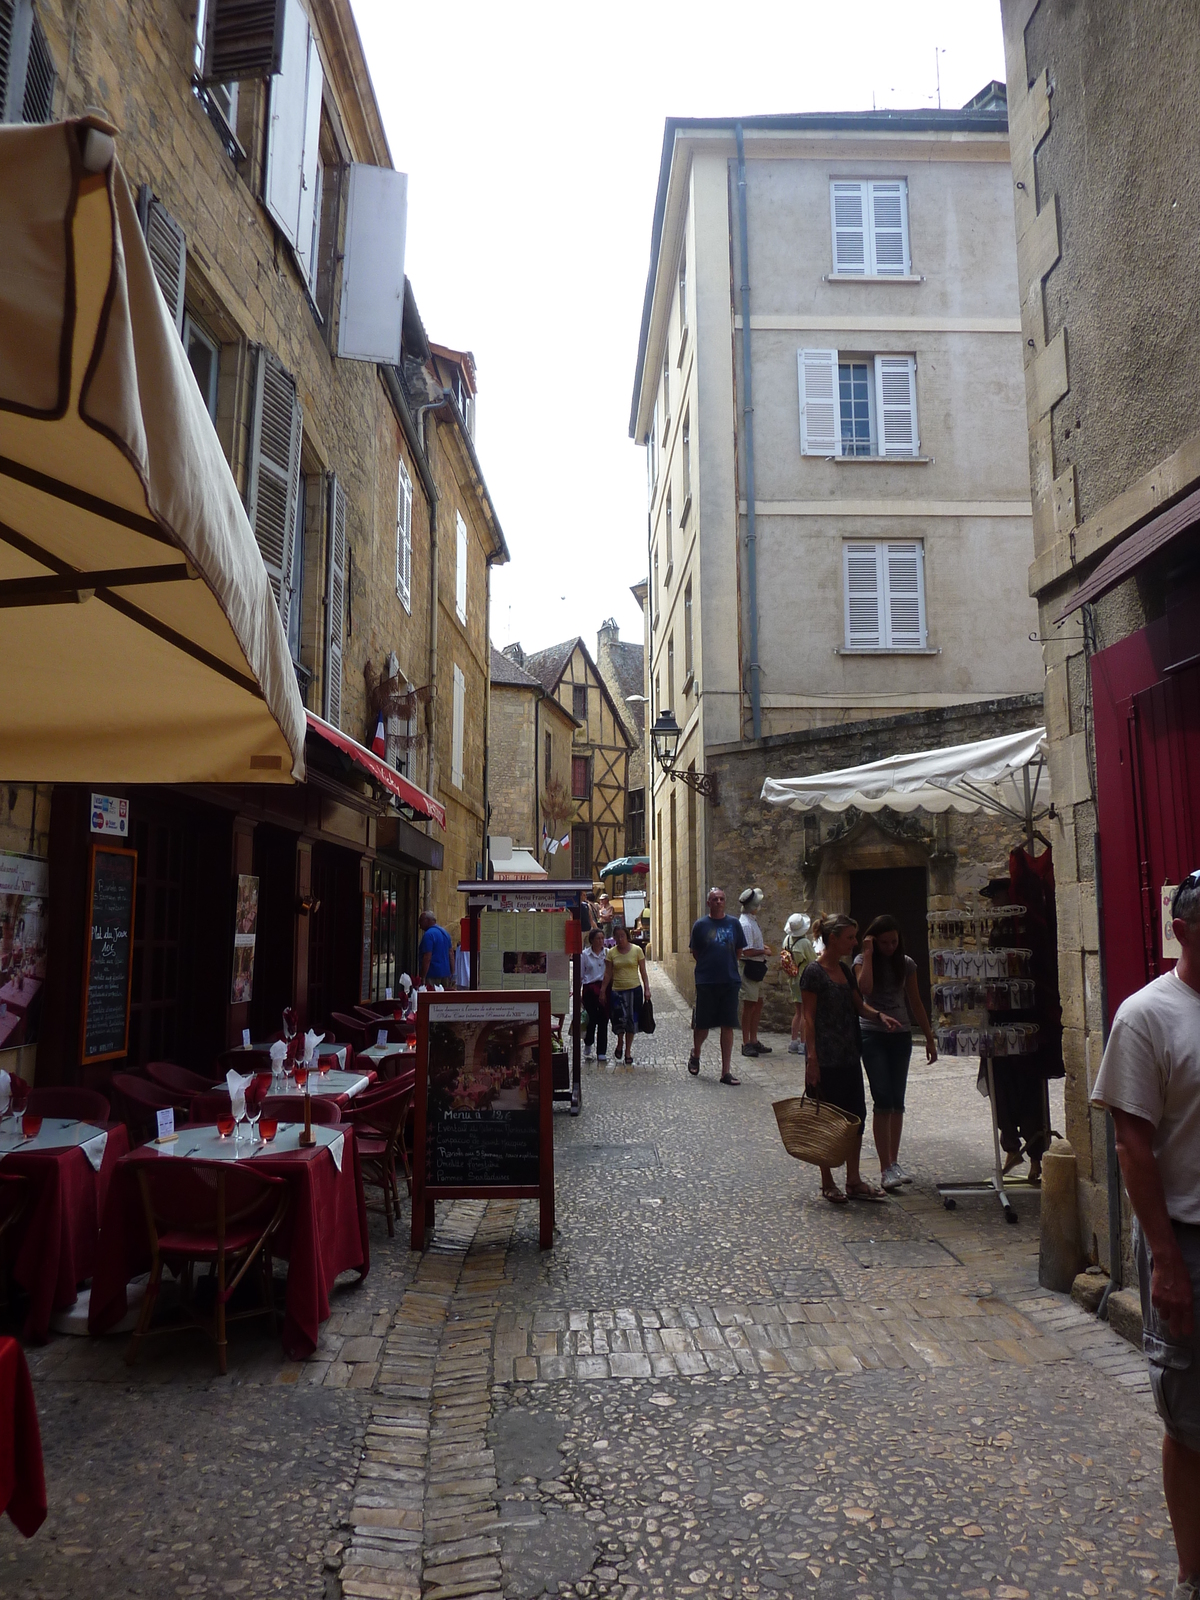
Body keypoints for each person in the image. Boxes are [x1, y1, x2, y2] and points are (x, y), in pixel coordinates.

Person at [1091, 871, 1200, 1600]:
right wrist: (1163, 1260)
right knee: (1191, 1419)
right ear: (1184, 929)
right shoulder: (1147, 1016)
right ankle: (1195, 1572)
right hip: (1186, 1238)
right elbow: (1133, 1144)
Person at [799, 913, 902, 1205]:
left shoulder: (844, 971)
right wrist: (812, 1059)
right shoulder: (813, 973)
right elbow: (808, 1018)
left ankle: (853, 1180)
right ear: (833, 939)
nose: (855, 942)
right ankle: (828, 1181)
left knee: (855, 1118)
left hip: (848, 1056)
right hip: (825, 1058)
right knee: (827, 1121)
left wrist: (879, 1016)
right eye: (850, 938)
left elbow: (859, 1006)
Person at [854, 914, 937, 1192]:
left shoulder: (906, 964)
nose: (890, 947)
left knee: (897, 1100)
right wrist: (867, 952)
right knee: (883, 1098)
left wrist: (928, 1037)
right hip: (872, 1033)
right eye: (884, 943)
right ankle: (883, 1167)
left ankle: (893, 1161)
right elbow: (864, 990)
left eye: (894, 942)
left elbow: (915, 1001)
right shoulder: (861, 962)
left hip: (900, 1036)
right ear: (874, 941)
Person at [687, 887, 746, 1085]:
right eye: (715, 899)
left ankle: (725, 1071)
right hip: (706, 981)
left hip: (729, 980)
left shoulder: (734, 924)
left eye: (721, 898)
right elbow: (695, 952)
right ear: (708, 903)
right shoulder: (700, 925)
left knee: (727, 1025)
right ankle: (696, 1052)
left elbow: (738, 951)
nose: (719, 901)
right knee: (702, 1025)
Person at [601, 922, 649, 1066]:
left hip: (634, 990)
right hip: (617, 991)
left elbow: (643, 971)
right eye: (617, 937)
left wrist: (647, 989)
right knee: (619, 1021)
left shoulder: (637, 950)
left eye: (622, 936)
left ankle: (627, 1051)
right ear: (614, 938)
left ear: (627, 936)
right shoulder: (612, 953)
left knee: (631, 1022)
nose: (620, 939)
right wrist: (603, 990)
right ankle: (620, 1042)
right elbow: (608, 973)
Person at [737, 887, 774, 1058]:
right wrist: (763, 951)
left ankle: (753, 1039)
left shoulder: (751, 920)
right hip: (750, 968)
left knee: (756, 1003)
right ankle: (746, 1042)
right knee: (749, 1005)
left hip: (756, 968)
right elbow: (747, 951)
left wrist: (761, 948)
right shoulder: (745, 924)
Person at [781, 913, 817, 1055]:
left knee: (797, 1012)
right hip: (804, 978)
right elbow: (813, 960)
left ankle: (793, 1041)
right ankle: (803, 1043)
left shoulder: (787, 940)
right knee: (805, 1013)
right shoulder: (805, 943)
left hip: (792, 978)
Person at [580, 927, 610, 1064]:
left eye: (602, 938)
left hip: (604, 988)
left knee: (604, 1020)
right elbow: (581, 975)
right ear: (592, 940)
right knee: (591, 1019)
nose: (601, 941)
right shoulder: (585, 955)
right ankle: (588, 1042)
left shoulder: (608, 953)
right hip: (590, 990)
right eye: (598, 938)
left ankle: (602, 1051)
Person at [418, 911, 453, 988]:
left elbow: (427, 957)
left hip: (432, 975)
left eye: (420, 921)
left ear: (427, 920)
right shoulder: (445, 933)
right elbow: (451, 954)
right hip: (445, 974)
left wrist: (422, 976)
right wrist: (452, 973)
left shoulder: (428, 935)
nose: (419, 925)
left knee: (431, 998)